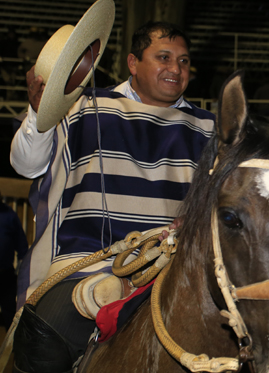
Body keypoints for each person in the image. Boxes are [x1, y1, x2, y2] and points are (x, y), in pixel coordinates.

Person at [10, 21, 215, 372]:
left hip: (175, 270)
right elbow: (26, 165)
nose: (176, 69)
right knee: (43, 336)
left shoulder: (209, 125)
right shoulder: (83, 105)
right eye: (163, 57)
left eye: (183, 61)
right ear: (133, 63)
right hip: (85, 263)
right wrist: (38, 114)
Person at [0, 195, 29, 331]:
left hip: (5, 273)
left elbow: (22, 245)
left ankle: (10, 348)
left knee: (10, 312)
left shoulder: (8, 215)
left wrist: (21, 270)